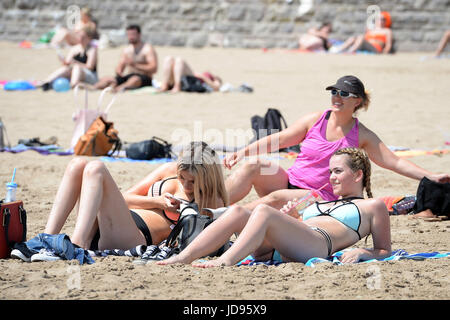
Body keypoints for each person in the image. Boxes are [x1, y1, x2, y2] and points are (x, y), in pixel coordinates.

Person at [221, 75, 450, 212]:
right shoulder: (315, 119)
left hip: (318, 198)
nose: (337, 97)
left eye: (344, 94)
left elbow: (394, 162)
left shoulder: (363, 135)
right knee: (255, 165)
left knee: (273, 200)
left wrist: (430, 176)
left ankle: (223, 217)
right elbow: (281, 139)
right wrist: (243, 152)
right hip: (289, 181)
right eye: (334, 92)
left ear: (357, 101)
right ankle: (208, 208)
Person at [158, 148, 392, 266]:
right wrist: (291, 218)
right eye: (330, 172)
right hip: (286, 246)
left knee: (263, 211)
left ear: (359, 174)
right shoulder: (322, 200)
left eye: (338, 172)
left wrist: (364, 252)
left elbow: (384, 250)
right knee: (239, 211)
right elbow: (281, 206)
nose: (331, 177)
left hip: (318, 245)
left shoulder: (373, 206)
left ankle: (224, 261)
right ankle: (183, 257)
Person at [41, 141, 228, 252]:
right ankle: (46, 239)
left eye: (193, 182)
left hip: (133, 237)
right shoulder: (167, 169)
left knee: (96, 168)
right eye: (182, 178)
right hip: (104, 223)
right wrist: (156, 202)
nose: (186, 185)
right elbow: (125, 197)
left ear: (207, 179)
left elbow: (204, 237)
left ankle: (77, 245)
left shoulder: (211, 200)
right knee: (78, 164)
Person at [94, 25, 158, 93]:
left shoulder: (147, 49)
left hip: (144, 78)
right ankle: (92, 87)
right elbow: (120, 67)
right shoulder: (127, 50)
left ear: (139, 35)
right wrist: (119, 71)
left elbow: (154, 68)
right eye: (129, 34)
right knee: (107, 79)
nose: (131, 37)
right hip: (129, 76)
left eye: (133, 34)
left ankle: (118, 89)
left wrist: (135, 65)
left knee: (134, 79)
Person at [40, 25, 98, 90]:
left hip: (90, 76)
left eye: (83, 37)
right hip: (75, 73)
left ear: (89, 38)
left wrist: (75, 63)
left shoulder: (92, 49)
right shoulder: (74, 48)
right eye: (79, 36)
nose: (80, 39)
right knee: (65, 69)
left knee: (76, 67)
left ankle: (74, 84)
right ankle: (46, 82)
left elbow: (90, 67)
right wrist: (64, 61)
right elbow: (67, 63)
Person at [157, 56, 223, 93]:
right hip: (187, 79)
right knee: (168, 59)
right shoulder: (208, 75)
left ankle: (177, 86)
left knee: (179, 60)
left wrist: (203, 77)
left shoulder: (214, 79)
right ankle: (164, 85)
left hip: (194, 81)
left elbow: (217, 87)